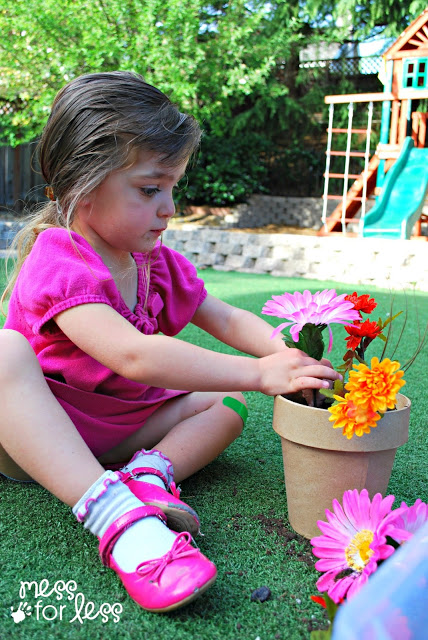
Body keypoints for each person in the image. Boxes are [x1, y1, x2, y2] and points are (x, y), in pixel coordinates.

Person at [0, 71, 340, 613]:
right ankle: (115, 515)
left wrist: (286, 357)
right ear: (81, 187)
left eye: (173, 187)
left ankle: (148, 474)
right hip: (45, 441)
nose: (169, 208)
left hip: (120, 433)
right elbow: (133, 355)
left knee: (225, 408)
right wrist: (257, 374)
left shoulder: (153, 262)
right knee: (3, 353)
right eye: (150, 189)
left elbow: (224, 318)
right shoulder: (59, 258)